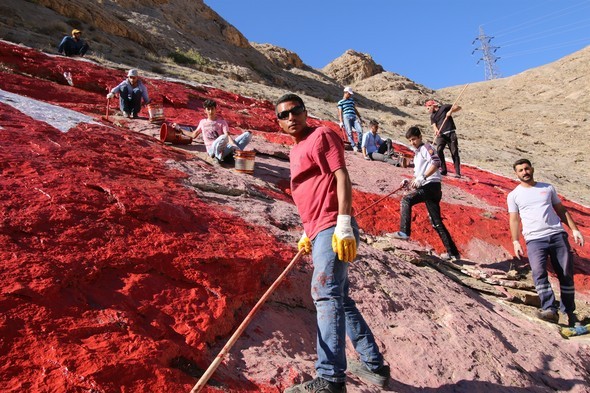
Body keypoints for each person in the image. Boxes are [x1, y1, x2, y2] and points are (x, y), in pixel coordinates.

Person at [276, 93, 389, 392]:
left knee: (324, 294)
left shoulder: (322, 135)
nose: (291, 118)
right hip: (318, 228)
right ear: (278, 121)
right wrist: (307, 231)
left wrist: (342, 223)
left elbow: (341, 177)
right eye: (283, 115)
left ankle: (330, 380)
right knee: (339, 297)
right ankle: (373, 364)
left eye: (295, 111)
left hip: (332, 225)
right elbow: (310, 191)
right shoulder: (295, 150)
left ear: (305, 111)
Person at [507, 158, 585, 327]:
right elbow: (514, 219)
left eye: (527, 169)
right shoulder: (513, 195)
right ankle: (549, 309)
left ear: (532, 169)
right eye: (520, 170)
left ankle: (570, 313)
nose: (524, 172)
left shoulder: (547, 188)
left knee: (565, 274)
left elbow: (561, 210)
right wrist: (515, 241)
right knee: (538, 272)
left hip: (557, 235)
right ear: (516, 174)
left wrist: (574, 229)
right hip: (534, 239)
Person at [392, 126, 461, 261]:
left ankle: (404, 232)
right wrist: (409, 180)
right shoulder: (418, 153)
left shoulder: (426, 148)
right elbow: (419, 174)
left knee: (406, 200)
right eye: (410, 140)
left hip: (431, 185)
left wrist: (422, 177)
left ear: (420, 137)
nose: (412, 142)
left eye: (414, 139)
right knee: (436, 222)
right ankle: (453, 253)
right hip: (431, 187)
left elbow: (436, 162)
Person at [176, 99, 251, 163]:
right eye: (208, 109)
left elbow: (227, 135)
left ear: (215, 109)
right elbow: (193, 135)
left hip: (224, 148)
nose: (210, 111)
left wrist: (233, 145)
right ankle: (219, 157)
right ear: (205, 110)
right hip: (212, 150)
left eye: (212, 109)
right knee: (222, 137)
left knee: (248, 134)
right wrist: (179, 129)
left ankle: (231, 155)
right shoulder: (202, 122)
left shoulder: (222, 122)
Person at [425, 100, 462, 178]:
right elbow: (434, 125)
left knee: (454, 152)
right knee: (439, 150)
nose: (428, 110)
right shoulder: (432, 116)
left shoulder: (444, 107)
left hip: (451, 133)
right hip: (441, 135)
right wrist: (436, 131)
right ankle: (444, 170)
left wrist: (451, 111)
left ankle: (458, 173)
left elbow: (458, 107)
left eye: (428, 108)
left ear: (432, 105)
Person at [337, 87, 363, 152]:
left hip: (354, 117)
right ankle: (353, 146)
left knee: (360, 131)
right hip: (346, 117)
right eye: (349, 94)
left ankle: (359, 146)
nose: (350, 95)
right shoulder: (340, 102)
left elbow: (354, 109)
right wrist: (341, 122)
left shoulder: (351, 100)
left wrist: (359, 117)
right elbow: (340, 112)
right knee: (349, 132)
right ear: (345, 93)